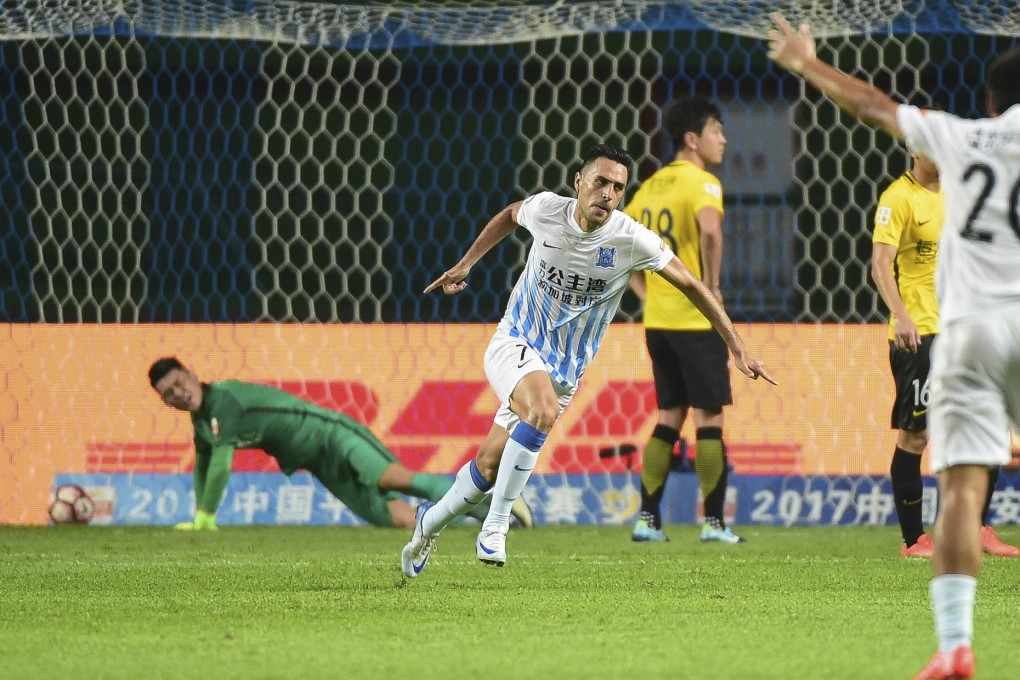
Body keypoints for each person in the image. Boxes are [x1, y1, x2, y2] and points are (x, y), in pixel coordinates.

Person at [768, 14, 1020, 679]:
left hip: (972, 332)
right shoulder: (905, 193)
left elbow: (872, 104)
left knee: (962, 486)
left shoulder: (963, 137)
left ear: (990, 102)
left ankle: (956, 645)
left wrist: (805, 63)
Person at [400, 143, 776, 578]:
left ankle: (429, 522)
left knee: (488, 464)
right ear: (578, 182)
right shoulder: (546, 211)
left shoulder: (629, 238)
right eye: (601, 182)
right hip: (515, 341)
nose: (608, 193)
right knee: (539, 409)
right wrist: (466, 263)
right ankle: (497, 524)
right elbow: (508, 215)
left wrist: (737, 345)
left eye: (618, 187)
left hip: (565, 371)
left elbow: (691, 283)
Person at [148, 357, 533, 530]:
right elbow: (203, 463)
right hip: (317, 462)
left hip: (331, 433)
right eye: (169, 394)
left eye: (180, 383)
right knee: (389, 518)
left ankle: (495, 498)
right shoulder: (202, 424)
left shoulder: (223, 402)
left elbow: (219, 464)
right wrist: (199, 514)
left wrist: (205, 518)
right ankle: (487, 512)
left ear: (193, 375)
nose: (178, 393)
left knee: (393, 478)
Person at [871, 148, 1020, 559]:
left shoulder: (960, 193)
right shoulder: (897, 198)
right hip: (918, 333)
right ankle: (913, 539)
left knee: (986, 425)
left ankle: (978, 528)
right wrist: (900, 315)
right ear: (913, 148)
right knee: (916, 434)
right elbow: (880, 264)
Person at [624, 97, 745, 544]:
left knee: (669, 416)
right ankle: (714, 524)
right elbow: (711, 231)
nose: (723, 139)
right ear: (693, 139)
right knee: (709, 418)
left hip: (658, 322)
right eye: (716, 131)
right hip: (696, 322)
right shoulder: (703, 183)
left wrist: (646, 293)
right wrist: (710, 290)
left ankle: (648, 520)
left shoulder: (648, 189)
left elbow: (626, 254)